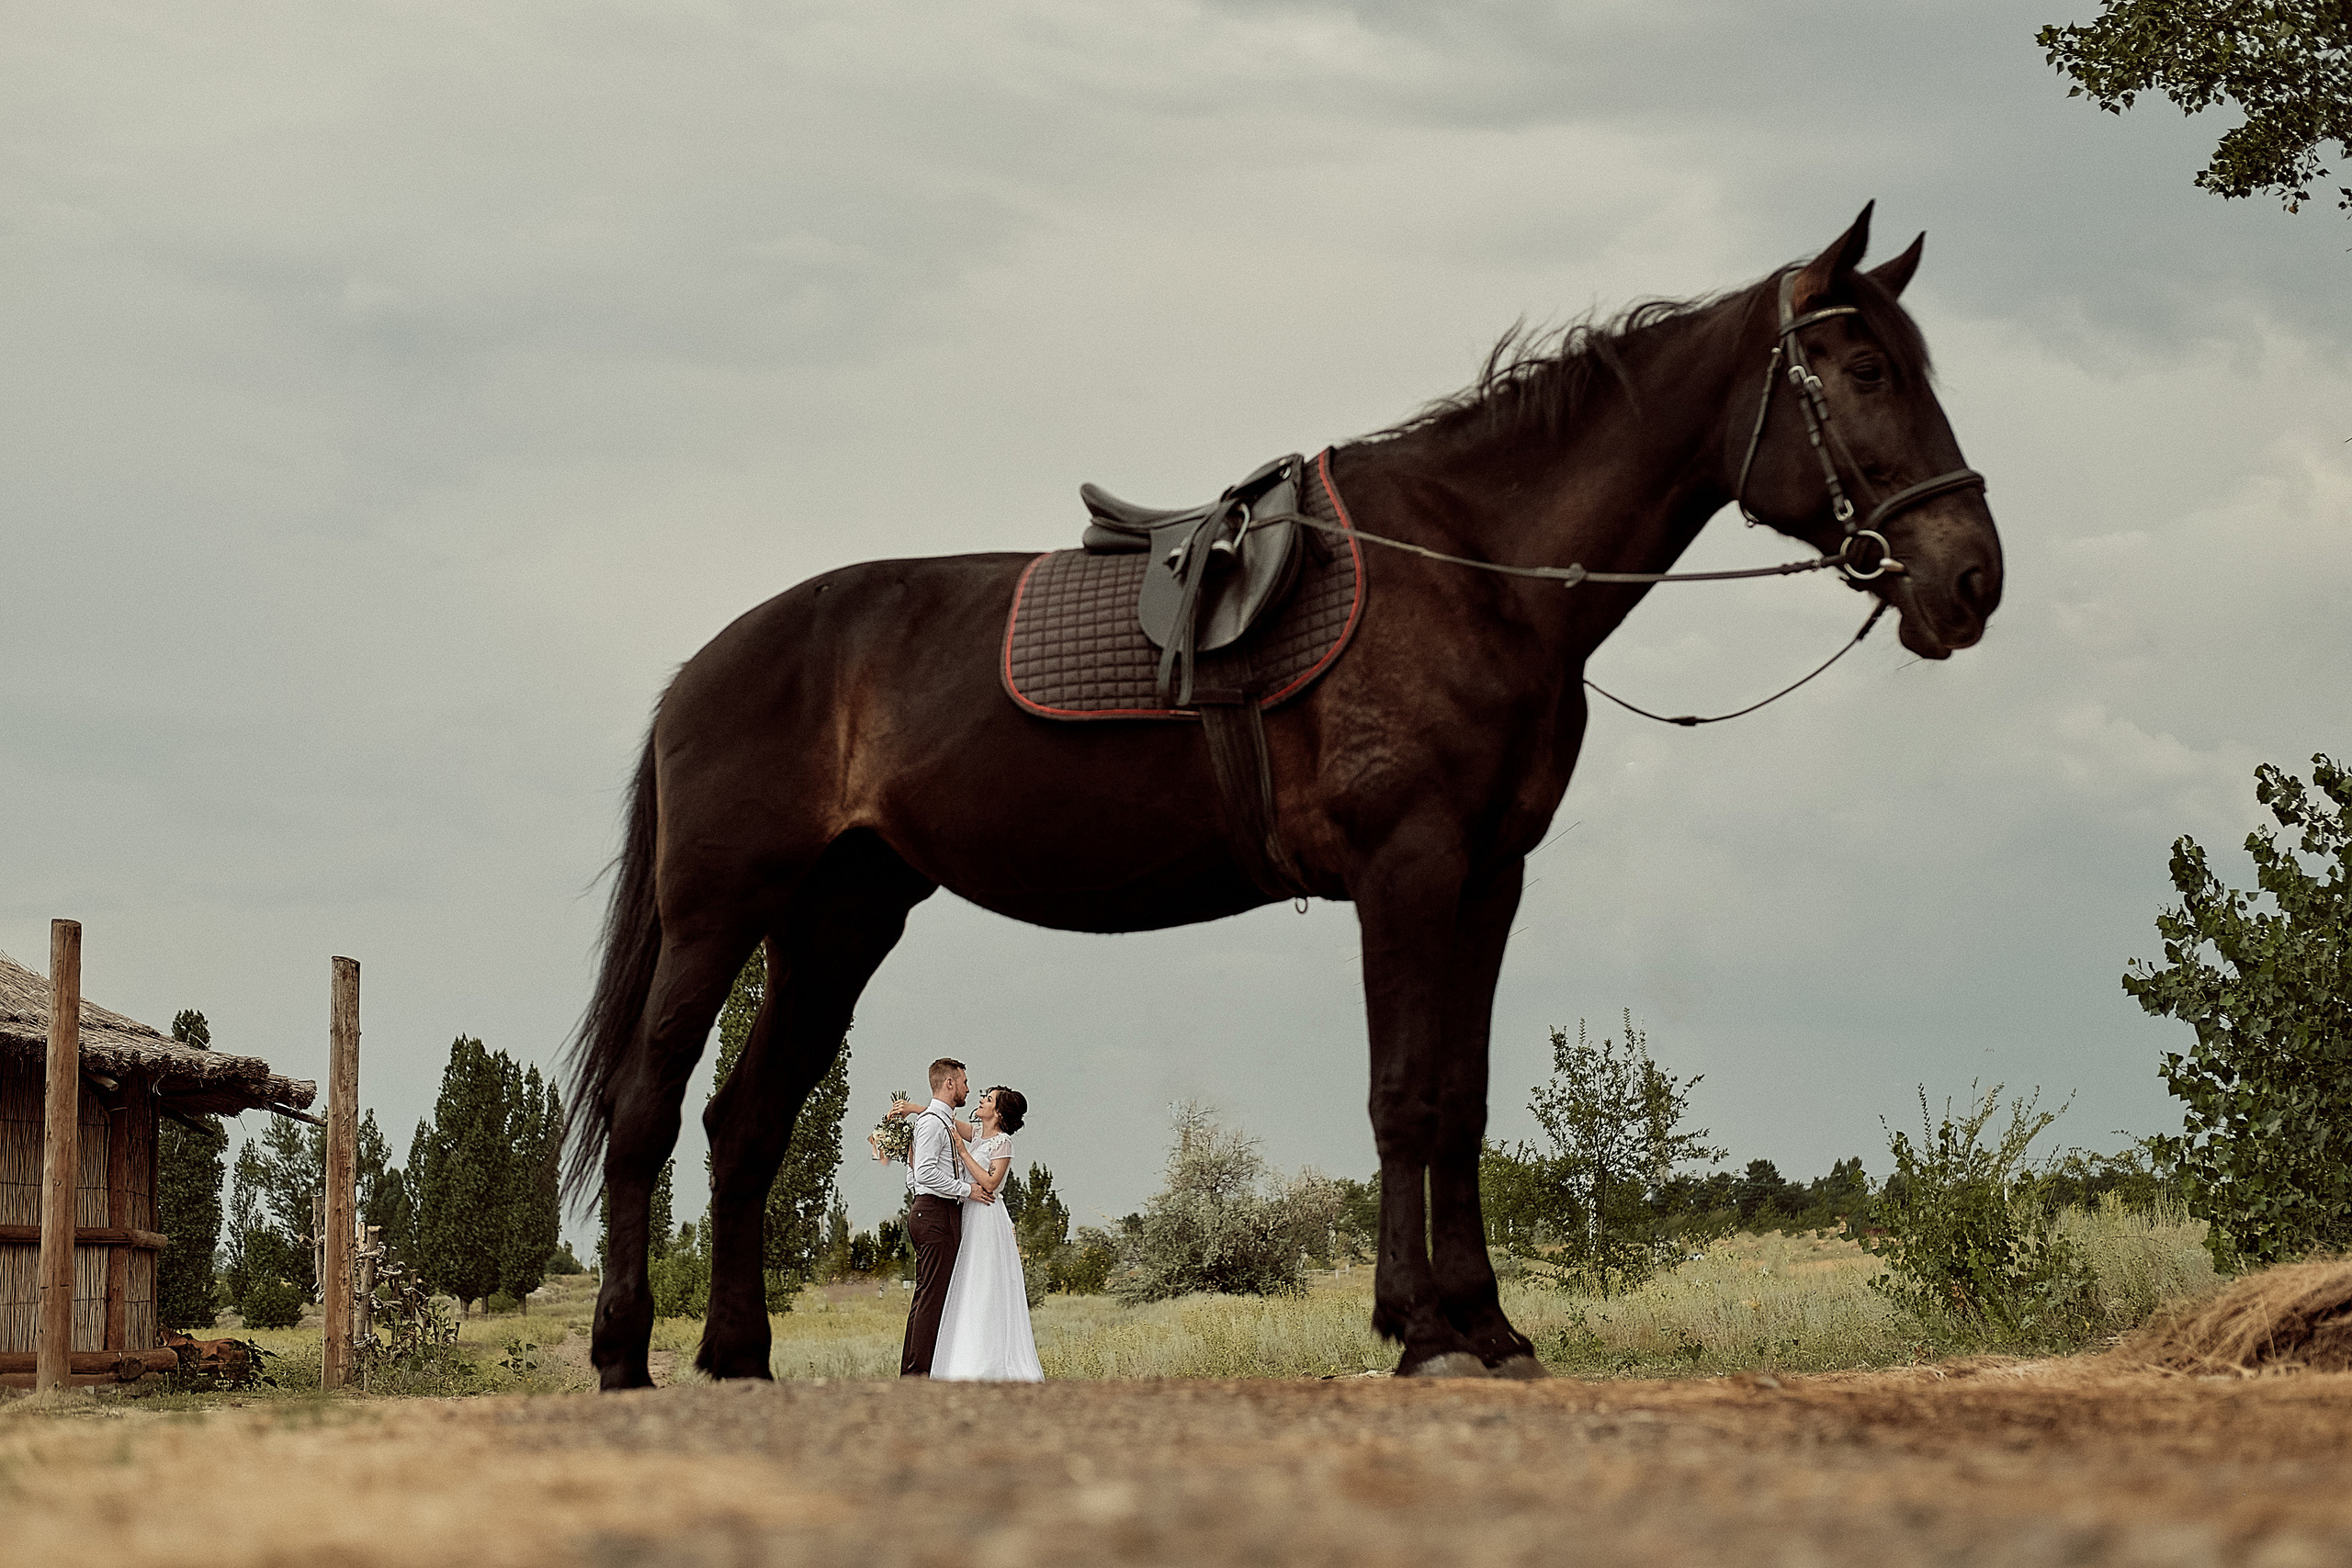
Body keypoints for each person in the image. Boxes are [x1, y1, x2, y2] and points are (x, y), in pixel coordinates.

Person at [929, 1086, 1044, 1382]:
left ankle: (987, 1360)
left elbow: (991, 1184)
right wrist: (911, 1109)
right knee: (966, 1280)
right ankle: (963, 1357)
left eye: (988, 1099)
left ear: (999, 1112)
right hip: (969, 1213)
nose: (981, 1101)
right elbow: (945, 1118)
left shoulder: (1002, 1143)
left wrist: (964, 1151)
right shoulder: (979, 1133)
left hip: (988, 1218)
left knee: (984, 1282)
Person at [895, 1057, 990, 1377]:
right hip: (935, 1212)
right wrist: (965, 1190)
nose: (967, 1087)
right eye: (964, 1081)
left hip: (933, 1209)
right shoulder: (933, 1123)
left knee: (929, 1294)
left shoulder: (938, 1121)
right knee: (932, 1297)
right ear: (949, 1083)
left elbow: (914, 1175)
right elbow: (924, 1172)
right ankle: (917, 1374)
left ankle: (917, 1371)